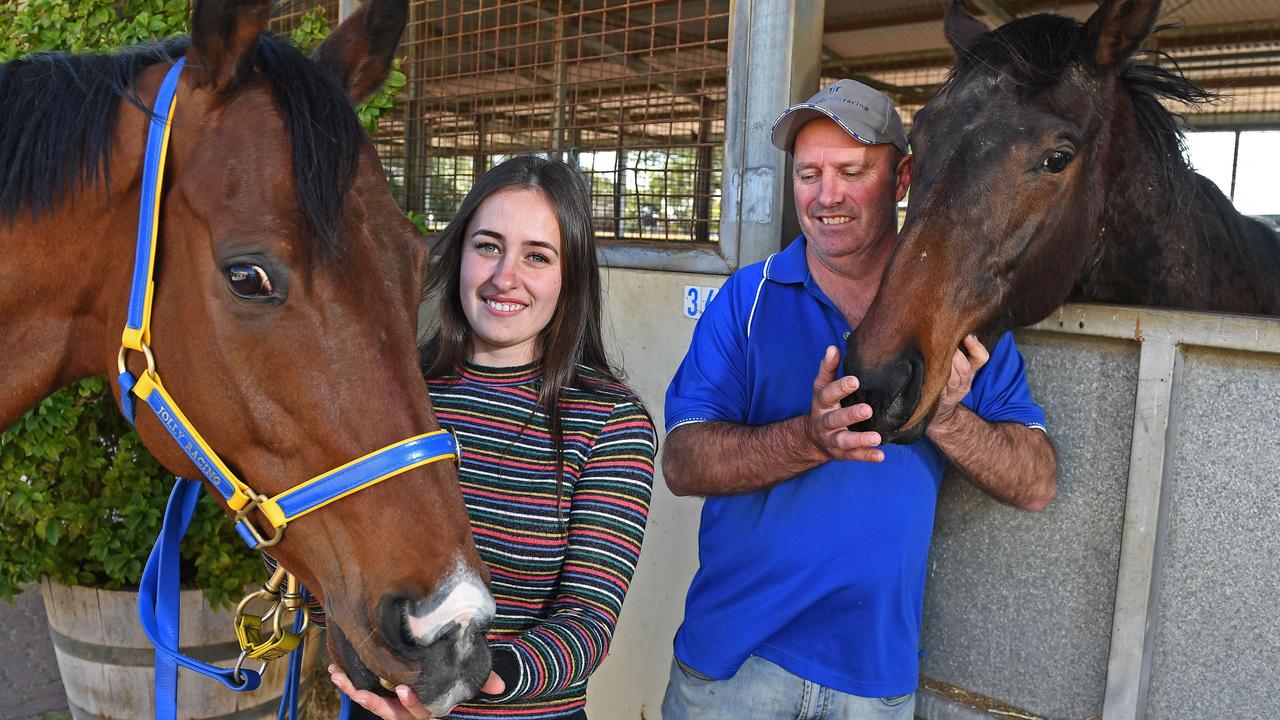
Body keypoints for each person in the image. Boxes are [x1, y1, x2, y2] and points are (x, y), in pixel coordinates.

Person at [659, 79, 1057, 718]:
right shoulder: (748, 297)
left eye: (851, 171)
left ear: (902, 178)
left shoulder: (958, 311)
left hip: (872, 677)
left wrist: (946, 415)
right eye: (809, 173)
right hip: (734, 665)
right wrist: (809, 439)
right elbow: (682, 462)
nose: (826, 196)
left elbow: (1035, 479)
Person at [331, 155, 657, 720]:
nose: (505, 277)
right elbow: (332, 565)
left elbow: (589, 619)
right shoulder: (394, 397)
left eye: (537, 256)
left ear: (570, 276)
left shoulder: (610, 422)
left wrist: (462, 681)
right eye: (487, 246)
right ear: (459, 255)